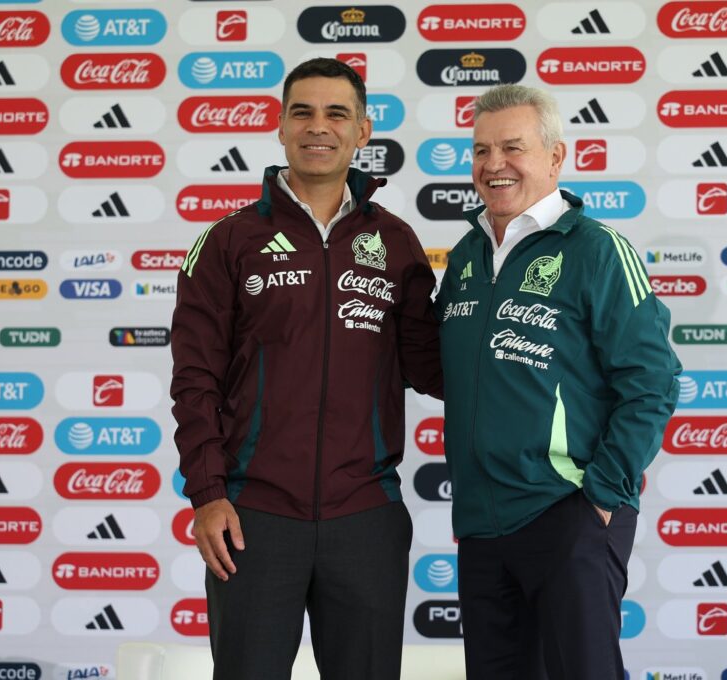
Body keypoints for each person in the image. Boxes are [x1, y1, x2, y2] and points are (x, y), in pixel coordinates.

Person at [170, 58, 441, 680]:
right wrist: (208, 495)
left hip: (366, 516)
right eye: (303, 112)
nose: (319, 127)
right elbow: (194, 382)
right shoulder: (228, 240)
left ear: (363, 131)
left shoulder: (397, 242)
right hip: (253, 517)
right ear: (281, 126)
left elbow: (433, 368)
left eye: (337, 114)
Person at [436, 84, 682, 679]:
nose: (494, 164)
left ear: (554, 157)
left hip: (566, 510)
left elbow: (653, 379)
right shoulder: (466, 256)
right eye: (481, 150)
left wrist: (600, 495)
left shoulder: (597, 249)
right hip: (480, 524)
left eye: (512, 147)